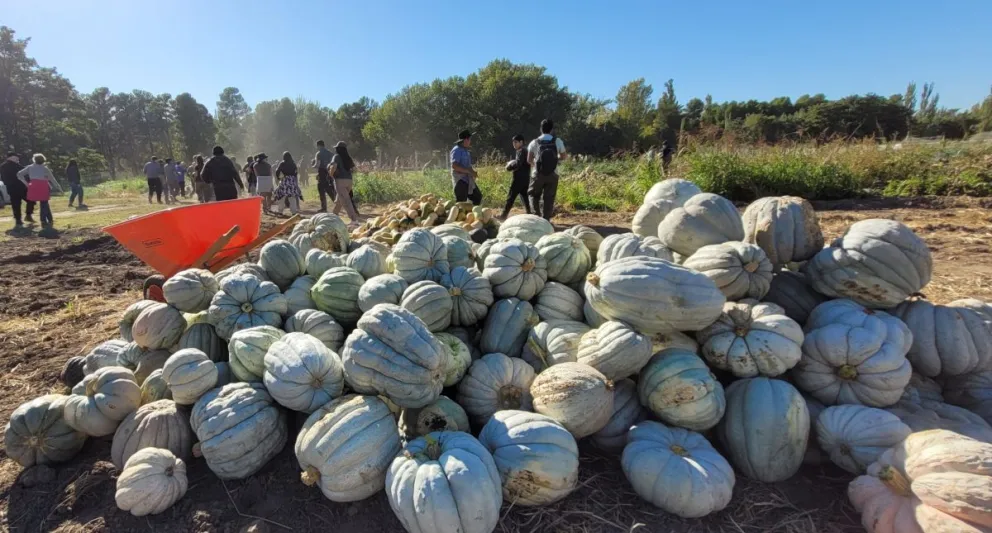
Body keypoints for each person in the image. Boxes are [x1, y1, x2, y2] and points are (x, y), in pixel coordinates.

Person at [526, 119, 567, 221]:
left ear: (541, 129)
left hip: (537, 174)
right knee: (549, 198)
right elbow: (564, 157)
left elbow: (529, 160)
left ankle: (536, 217)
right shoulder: (557, 141)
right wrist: (554, 160)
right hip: (553, 174)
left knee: (533, 195)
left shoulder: (534, 142)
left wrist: (536, 165)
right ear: (552, 129)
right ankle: (546, 220)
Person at [17, 153, 63, 228]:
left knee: (45, 204)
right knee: (44, 203)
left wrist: (26, 183)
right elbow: (52, 179)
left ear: (34, 160)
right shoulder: (45, 169)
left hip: (33, 186)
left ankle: (50, 219)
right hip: (43, 186)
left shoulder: (30, 167)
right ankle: (43, 221)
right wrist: (59, 188)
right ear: (43, 160)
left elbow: (19, 174)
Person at [328, 142, 360, 222]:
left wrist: (331, 175)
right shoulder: (348, 157)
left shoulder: (336, 156)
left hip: (340, 181)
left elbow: (333, 166)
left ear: (338, 149)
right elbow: (354, 169)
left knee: (346, 201)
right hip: (349, 181)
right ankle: (333, 216)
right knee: (340, 199)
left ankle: (354, 220)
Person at [501, 134, 531, 218]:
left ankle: (503, 215)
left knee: (511, 197)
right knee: (525, 198)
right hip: (525, 178)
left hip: (518, 179)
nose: (514, 144)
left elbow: (518, 164)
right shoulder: (525, 150)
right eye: (513, 142)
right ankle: (529, 213)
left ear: (521, 142)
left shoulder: (521, 151)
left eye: (516, 142)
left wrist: (509, 167)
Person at [450, 130, 481, 205]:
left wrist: (473, 172)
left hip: (468, 179)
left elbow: (468, 166)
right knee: (461, 202)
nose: (470, 141)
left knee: (477, 197)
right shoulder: (456, 150)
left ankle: (472, 214)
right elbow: (454, 166)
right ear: (465, 140)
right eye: (469, 139)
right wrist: (468, 171)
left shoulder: (466, 151)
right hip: (460, 180)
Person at [0, 152, 30, 227]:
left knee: (29, 201)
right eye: (16, 156)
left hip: (18, 187)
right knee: (17, 204)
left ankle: (26, 216)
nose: (18, 158)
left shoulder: (17, 165)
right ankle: (19, 220)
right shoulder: (4, 166)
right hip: (15, 187)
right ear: (10, 157)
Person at [313, 140, 336, 212]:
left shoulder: (318, 154)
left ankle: (324, 207)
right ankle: (337, 202)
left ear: (319, 145)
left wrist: (313, 166)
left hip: (322, 173)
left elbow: (318, 165)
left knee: (321, 190)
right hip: (329, 172)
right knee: (330, 189)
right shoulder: (330, 153)